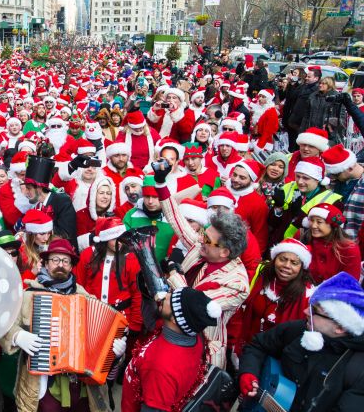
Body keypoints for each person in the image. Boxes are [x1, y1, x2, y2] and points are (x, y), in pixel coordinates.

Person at [0, 238, 124, 412]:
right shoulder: (28, 295)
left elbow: (104, 334)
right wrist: (17, 336)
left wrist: (115, 352)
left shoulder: (85, 297)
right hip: (42, 384)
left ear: (71, 266)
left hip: (82, 385)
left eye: (65, 261)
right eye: (55, 260)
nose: (60, 264)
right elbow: (4, 325)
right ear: (46, 263)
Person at [154, 160, 250, 369]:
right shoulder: (205, 247)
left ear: (225, 251)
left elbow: (194, 304)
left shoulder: (237, 283)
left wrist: (174, 273)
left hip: (202, 349)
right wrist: (161, 183)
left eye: (207, 239)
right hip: (173, 332)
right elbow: (176, 220)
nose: (200, 241)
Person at [239, 272, 364, 411]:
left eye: (314, 311)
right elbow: (258, 345)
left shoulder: (357, 368)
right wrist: (248, 372)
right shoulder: (299, 329)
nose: (305, 311)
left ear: (340, 327)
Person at [121, 287, 222, 412]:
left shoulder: (160, 369)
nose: (165, 296)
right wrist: (146, 294)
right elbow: (152, 321)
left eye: (171, 298)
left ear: (175, 319)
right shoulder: (191, 337)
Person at [232, 238, 314, 360]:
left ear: (302, 267)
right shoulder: (262, 276)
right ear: (275, 259)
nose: (287, 266)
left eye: (294, 263)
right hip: (248, 349)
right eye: (283, 259)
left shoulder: (308, 297)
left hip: (277, 358)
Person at [22, 155, 77, 248]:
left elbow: (67, 234)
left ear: (39, 188)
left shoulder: (61, 200)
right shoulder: (34, 205)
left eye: (29, 188)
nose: (26, 192)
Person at [300, 202, 361, 284]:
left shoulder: (348, 249)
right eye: (311, 220)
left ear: (332, 225)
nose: (313, 226)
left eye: (319, 222)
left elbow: (350, 283)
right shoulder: (303, 238)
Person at [321, 144, 364, 239]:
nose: (333, 177)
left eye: (336, 174)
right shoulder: (336, 181)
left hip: (357, 241)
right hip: (338, 240)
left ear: (350, 168)